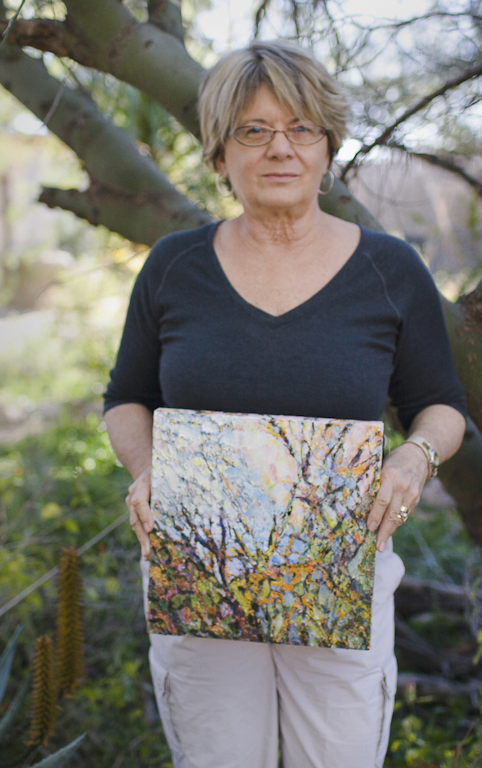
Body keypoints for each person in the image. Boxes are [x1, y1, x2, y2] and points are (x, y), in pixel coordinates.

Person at [103, 40, 467, 768]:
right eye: (252, 130)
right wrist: (147, 473)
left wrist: (411, 457)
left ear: (328, 146)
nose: (280, 148)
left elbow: (440, 407)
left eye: (301, 128)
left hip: (342, 574)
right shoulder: (174, 265)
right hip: (199, 577)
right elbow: (126, 400)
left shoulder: (388, 268)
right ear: (218, 152)